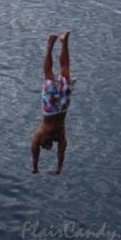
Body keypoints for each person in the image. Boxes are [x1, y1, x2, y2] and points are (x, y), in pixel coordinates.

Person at [31, 30, 76, 174]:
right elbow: (61, 153)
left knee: (49, 77)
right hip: (63, 108)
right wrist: (59, 166)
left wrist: (35, 167)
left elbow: (35, 152)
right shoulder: (61, 138)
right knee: (66, 74)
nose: (46, 148)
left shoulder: (39, 137)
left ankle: (50, 45)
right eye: (48, 148)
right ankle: (64, 42)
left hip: (49, 109)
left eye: (44, 148)